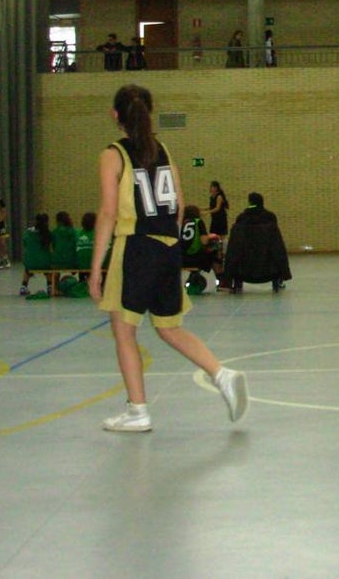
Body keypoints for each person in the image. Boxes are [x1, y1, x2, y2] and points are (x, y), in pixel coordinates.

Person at [88, 84, 248, 432]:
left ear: (115, 115)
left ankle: (138, 410)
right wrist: (169, 246)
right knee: (170, 328)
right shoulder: (164, 151)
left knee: (124, 332)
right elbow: (178, 204)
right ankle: (222, 374)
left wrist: (97, 266)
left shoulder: (113, 154)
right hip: (167, 248)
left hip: (135, 246)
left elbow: (108, 212)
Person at [223, 192, 292, 292]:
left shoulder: (241, 218)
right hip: (268, 267)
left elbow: (234, 247)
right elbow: (277, 245)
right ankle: (278, 281)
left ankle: (237, 283)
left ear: (249, 202)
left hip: (244, 267)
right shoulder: (270, 217)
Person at [19, 213, 53, 296]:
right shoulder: (48, 233)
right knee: (49, 267)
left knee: (27, 268)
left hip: (30, 262)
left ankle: (24, 286)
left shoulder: (28, 232)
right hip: (45, 262)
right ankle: (50, 286)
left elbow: (25, 243)